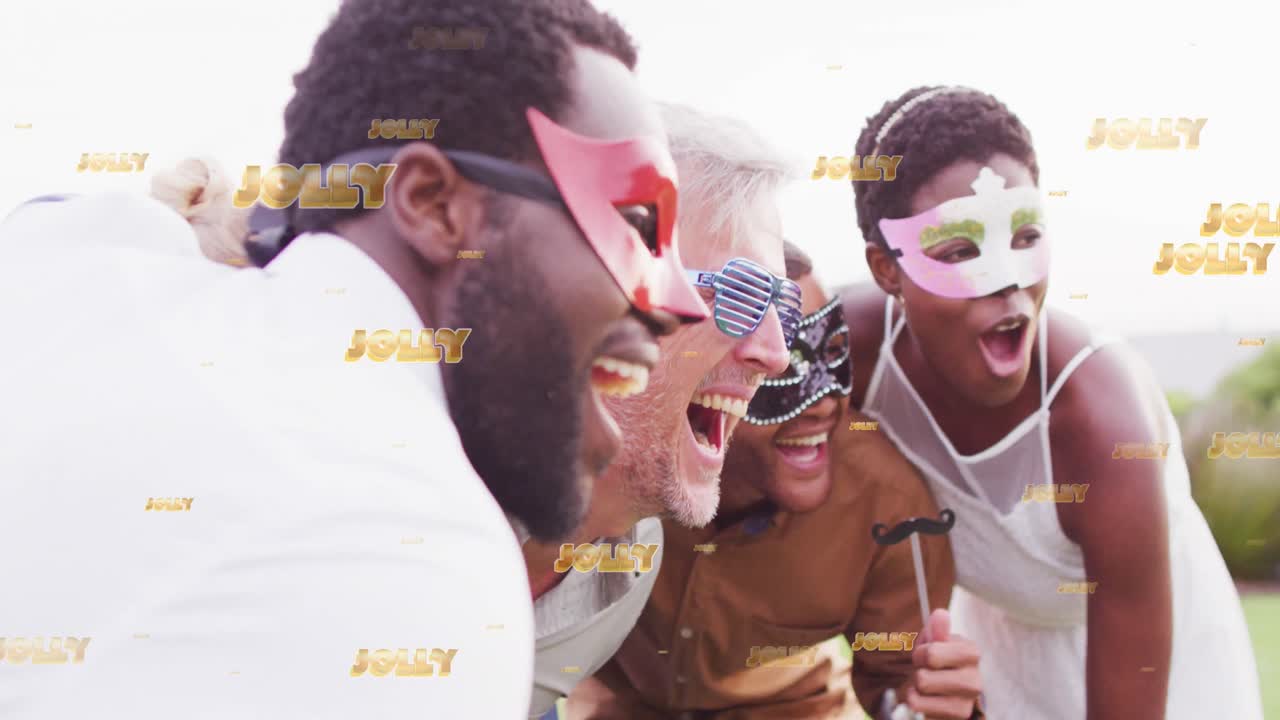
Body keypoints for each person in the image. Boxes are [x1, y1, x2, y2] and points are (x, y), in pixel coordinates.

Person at [0, 0, 709, 717]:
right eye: (637, 225)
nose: (681, 304)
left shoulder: (75, 268)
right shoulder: (419, 558)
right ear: (432, 206)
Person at [838, 85, 1263, 719]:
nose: (1006, 278)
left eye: (1025, 235)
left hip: (1155, 661)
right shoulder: (856, 348)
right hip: (999, 643)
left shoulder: (1100, 419)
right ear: (887, 269)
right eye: (958, 250)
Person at [567, 242, 984, 720]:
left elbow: (898, 683)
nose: (825, 403)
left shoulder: (888, 508)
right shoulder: (608, 456)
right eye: (782, 366)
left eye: (830, 353)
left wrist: (927, 705)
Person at [518, 102, 795, 718]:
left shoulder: (627, 573)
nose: (776, 355)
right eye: (742, 293)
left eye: (785, 304)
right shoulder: (398, 491)